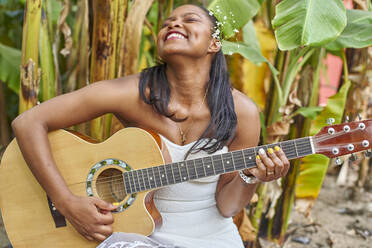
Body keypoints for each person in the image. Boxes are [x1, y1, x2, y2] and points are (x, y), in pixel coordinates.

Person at [11, 4, 290, 248]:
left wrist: (251, 177)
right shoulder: (131, 93)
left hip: (210, 238)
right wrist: (66, 202)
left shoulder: (242, 111)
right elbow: (28, 122)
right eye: (167, 23)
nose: (173, 24)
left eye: (190, 19)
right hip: (133, 235)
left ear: (214, 43)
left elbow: (227, 206)